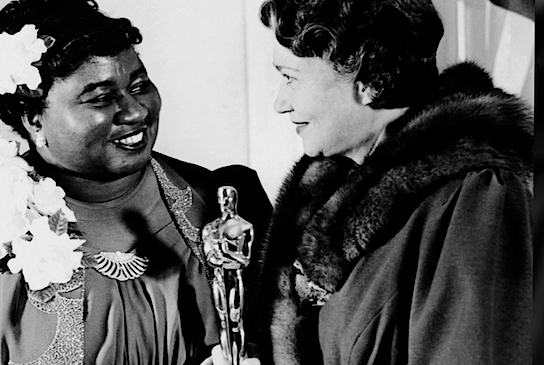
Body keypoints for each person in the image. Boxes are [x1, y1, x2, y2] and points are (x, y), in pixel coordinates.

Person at [0, 0, 272, 364]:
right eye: (102, 98)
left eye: (139, 86)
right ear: (34, 120)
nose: (137, 111)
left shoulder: (218, 203)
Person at [224, 0, 532, 364]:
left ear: (370, 80)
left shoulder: (476, 203)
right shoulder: (331, 190)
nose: (280, 102)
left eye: (290, 77)